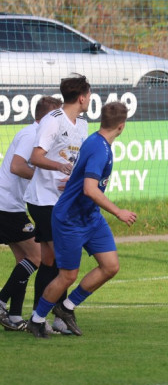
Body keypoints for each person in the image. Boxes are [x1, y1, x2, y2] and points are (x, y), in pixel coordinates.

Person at [26, 102, 137, 338]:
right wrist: (119, 212)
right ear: (122, 126)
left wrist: (74, 182)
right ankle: (36, 320)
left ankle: (66, 307)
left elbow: (81, 177)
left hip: (90, 217)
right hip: (70, 219)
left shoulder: (97, 141)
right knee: (67, 275)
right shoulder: (99, 148)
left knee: (110, 266)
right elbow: (90, 189)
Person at [26, 75, 92, 334]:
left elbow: (77, 162)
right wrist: (59, 166)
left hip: (63, 201)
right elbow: (35, 157)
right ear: (82, 97)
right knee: (64, 261)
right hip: (43, 200)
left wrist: (74, 179)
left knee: (51, 260)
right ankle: (49, 317)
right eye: (89, 94)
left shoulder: (84, 124)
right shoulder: (53, 121)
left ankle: (45, 317)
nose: (89, 99)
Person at [0, 96, 62, 331]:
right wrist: (45, 177)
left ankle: (14, 317)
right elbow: (17, 166)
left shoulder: (35, 135)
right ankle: (1, 300)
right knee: (37, 257)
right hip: (7, 205)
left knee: (24, 261)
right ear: (47, 118)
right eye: (58, 117)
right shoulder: (31, 134)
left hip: (10, 204)